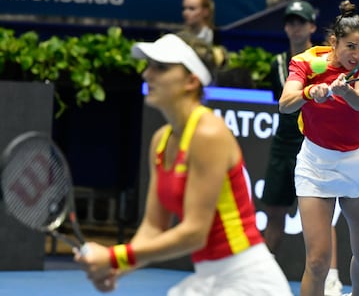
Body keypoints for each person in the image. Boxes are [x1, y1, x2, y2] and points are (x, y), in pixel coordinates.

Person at [75, 32, 293, 296]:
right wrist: (117, 268)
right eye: (148, 67)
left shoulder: (208, 133)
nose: (147, 74)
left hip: (249, 280)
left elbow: (194, 233)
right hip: (208, 277)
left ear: (191, 81)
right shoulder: (160, 141)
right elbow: (154, 226)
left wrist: (113, 255)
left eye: (161, 68)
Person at [279, 0, 359, 296]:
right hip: (317, 164)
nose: (358, 54)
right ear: (333, 42)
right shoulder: (305, 61)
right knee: (317, 262)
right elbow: (285, 105)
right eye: (351, 46)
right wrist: (310, 92)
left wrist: (343, 90)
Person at [261, 0, 343, 296]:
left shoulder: (324, 60)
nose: (295, 27)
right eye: (290, 22)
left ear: (311, 26)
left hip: (314, 143)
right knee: (273, 211)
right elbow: (282, 104)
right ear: (285, 27)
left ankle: (332, 280)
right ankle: (263, 277)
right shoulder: (278, 64)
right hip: (284, 144)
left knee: (322, 214)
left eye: (301, 22)